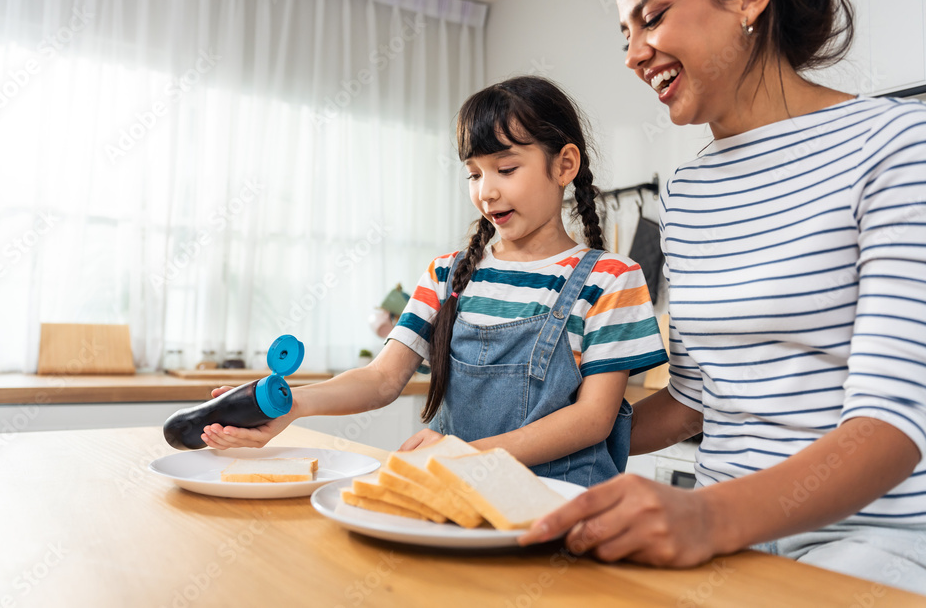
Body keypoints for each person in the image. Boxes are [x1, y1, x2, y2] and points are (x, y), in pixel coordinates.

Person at [519, 0, 926, 594]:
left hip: (866, 544)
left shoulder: (896, 146)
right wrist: (539, 426)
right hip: (725, 542)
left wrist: (705, 517)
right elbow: (695, 400)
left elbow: (891, 425)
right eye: (624, 34)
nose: (633, 55)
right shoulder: (685, 195)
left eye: (651, 18)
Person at [200, 75, 668, 486]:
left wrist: (464, 455)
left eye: (506, 169)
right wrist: (291, 406)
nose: (486, 191)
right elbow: (382, 379)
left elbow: (592, 420)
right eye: (474, 174)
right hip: (455, 503)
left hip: (564, 512)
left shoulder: (611, 279)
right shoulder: (448, 275)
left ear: (564, 165)